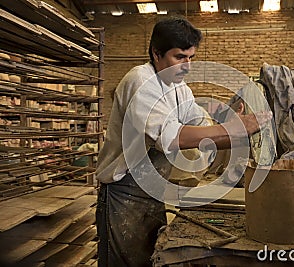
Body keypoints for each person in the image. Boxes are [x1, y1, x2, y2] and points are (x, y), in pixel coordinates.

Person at [95, 16, 272, 267]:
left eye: (191, 58)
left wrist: (238, 136)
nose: (187, 66)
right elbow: (174, 137)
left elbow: (202, 132)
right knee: (122, 262)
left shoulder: (179, 88)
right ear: (157, 53)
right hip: (124, 191)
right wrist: (233, 127)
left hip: (152, 189)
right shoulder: (141, 81)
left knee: (149, 257)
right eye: (179, 57)